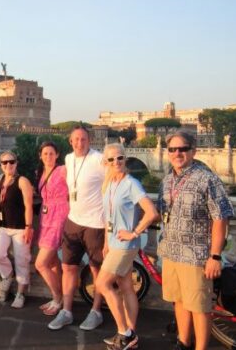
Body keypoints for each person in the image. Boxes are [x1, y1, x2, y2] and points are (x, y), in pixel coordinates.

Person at [158, 131, 233, 350]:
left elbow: (220, 218)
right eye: (172, 149)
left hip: (196, 254)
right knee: (179, 301)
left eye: (183, 149)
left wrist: (215, 256)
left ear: (193, 151)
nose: (177, 153)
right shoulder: (167, 180)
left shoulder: (207, 178)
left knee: (200, 307)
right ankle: (183, 342)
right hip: (171, 251)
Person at [95, 144, 158, 350]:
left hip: (125, 245)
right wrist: (106, 243)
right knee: (126, 287)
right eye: (111, 159)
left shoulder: (132, 184)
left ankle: (125, 332)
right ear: (106, 163)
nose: (116, 162)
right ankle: (130, 334)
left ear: (125, 159)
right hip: (113, 244)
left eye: (120, 158)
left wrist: (134, 233)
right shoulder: (110, 183)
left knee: (102, 284)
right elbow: (108, 217)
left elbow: (151, 213)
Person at [48, 126, 106, 331]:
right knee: (68, 267)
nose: (80, 143)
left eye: (83, 139)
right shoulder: (68, 159)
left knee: (96, 269)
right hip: (73, 221)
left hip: (95, 223)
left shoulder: (99, 160)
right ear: (70, 142)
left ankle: (96, 312)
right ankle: (66, 312)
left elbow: (113, 182)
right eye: (76, 140)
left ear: (90, 141)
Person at [0, 151, 34, 309]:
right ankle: (7, 275)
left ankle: (21, 293)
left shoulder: (22, 181)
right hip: (2, 225)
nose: (8, 165)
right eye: (5, 162)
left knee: (22, 260)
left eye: (11, 162)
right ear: (1, 165)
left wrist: (28, 227)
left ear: (16, 163)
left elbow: (29, 206)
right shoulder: (1, 179)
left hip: (20, 227)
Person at [33, 141, 69, 316]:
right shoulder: (40, 172)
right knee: (53, 262)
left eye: (51, 153)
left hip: (59, 217)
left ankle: (57, 298)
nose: (48, 156)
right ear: (40, 156)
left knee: (40, 263)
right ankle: (60, 298)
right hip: (45, 217)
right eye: (45, 153)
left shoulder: (63, 170)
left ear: (57, 155)